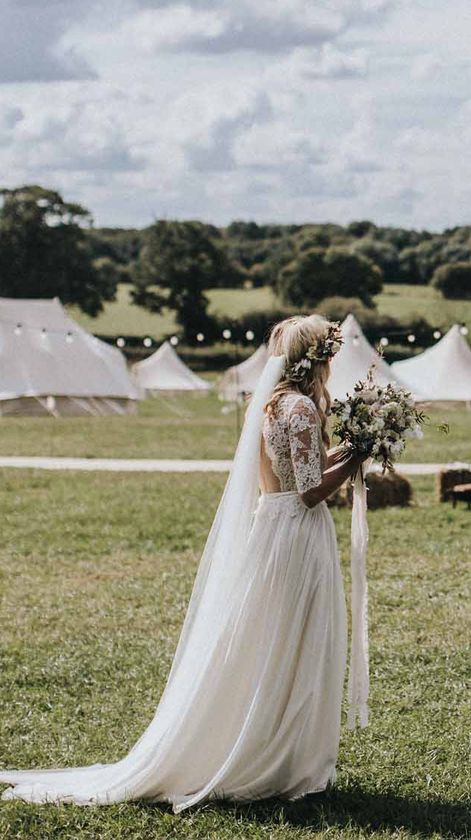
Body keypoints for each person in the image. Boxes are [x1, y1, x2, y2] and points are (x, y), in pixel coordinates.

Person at [1, 315, 366, 811]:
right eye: (331, 354)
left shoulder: (272, 403)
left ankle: (277, 747)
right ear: (318, 358)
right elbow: (307, 492)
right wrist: (357, 457)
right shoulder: (300, 407)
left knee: (273, 640)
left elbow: (294, 471)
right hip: (295, 534)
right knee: (293, 640)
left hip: (272, 526)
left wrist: (345, 450)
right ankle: (274, 757)